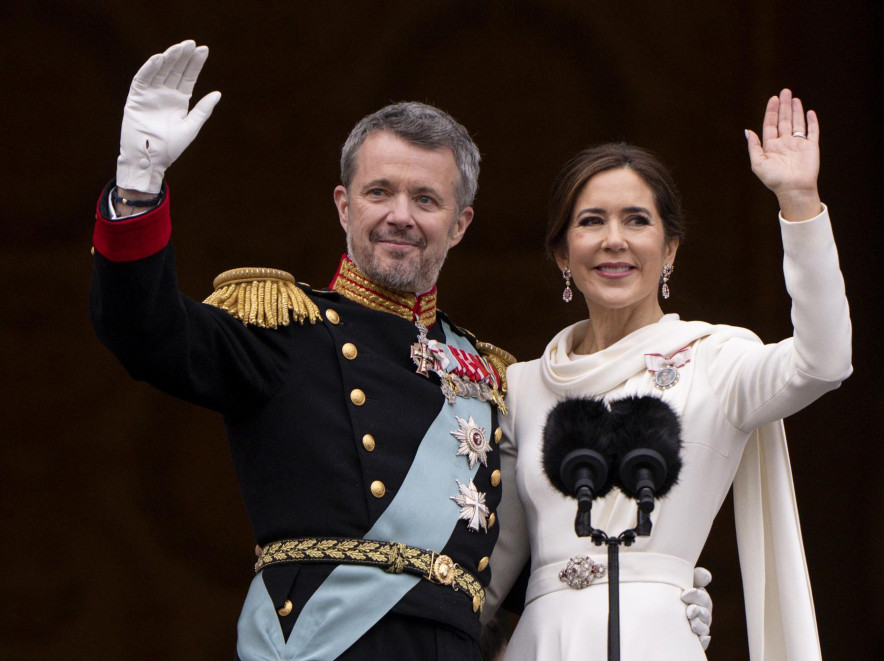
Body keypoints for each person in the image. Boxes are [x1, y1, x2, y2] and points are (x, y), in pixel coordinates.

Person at [89, 40, 715, 659]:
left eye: (425, 199)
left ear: (460, 223)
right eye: (379, 192)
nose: (400, 216)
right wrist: (138, 188)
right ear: (343, 205)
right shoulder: (280, 327)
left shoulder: (492, 376)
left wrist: (637, 593)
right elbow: (145, 333)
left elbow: (520, 552)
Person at [486, 89, 852, 660]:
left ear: (670, 248)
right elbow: (496, 563)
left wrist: (799, 201)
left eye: (637, 220)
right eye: (590, 221)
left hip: (655, 640)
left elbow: (823, 361)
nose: (615, 239)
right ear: (563, 254)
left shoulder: (716, 358)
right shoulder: (521, 385)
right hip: (539, 643)